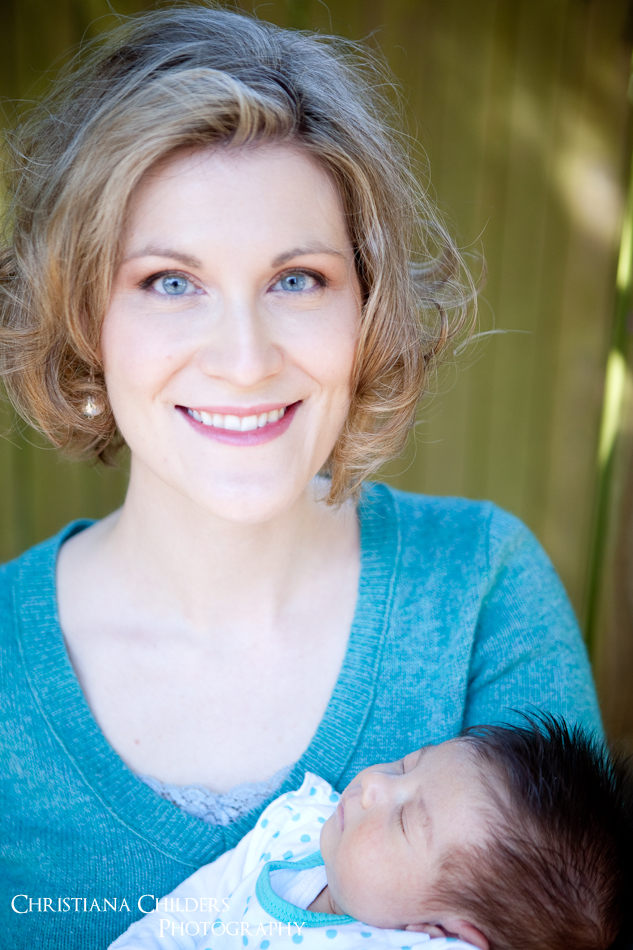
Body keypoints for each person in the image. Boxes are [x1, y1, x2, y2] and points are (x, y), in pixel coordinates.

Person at [0, 5, 602, 949]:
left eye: (297, 279)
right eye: (170, 281)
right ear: (83, 317)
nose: (245, 361)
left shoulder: (481, 588)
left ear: (366, 304)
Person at [109, 717, 633, 950]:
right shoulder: (295, 825)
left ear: (442, 932)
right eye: (408, 765)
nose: (376, 785)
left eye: (404, 821)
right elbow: (183, 916)